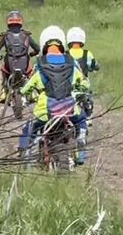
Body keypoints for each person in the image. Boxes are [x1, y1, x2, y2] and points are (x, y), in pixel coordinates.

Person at [18, 26, 90, 164]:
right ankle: (80, 143)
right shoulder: (71, 63)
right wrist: (80, 90)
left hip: (45, 111)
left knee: (29, 128)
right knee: (81, 121)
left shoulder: (40, 65)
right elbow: (85, 84)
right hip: (69, 109)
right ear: (62, 44)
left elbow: (26, 88)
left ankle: (24, 154)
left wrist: (25, 96)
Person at [0, 11, 40, 103]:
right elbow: (37, 48)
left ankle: (4, 92)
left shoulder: (5, 36)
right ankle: (33, 93)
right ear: (21, 22)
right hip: (24, 62)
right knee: (30, 73)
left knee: (4, 71)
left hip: (10, 63)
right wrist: (32, 54)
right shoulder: (26, 35)